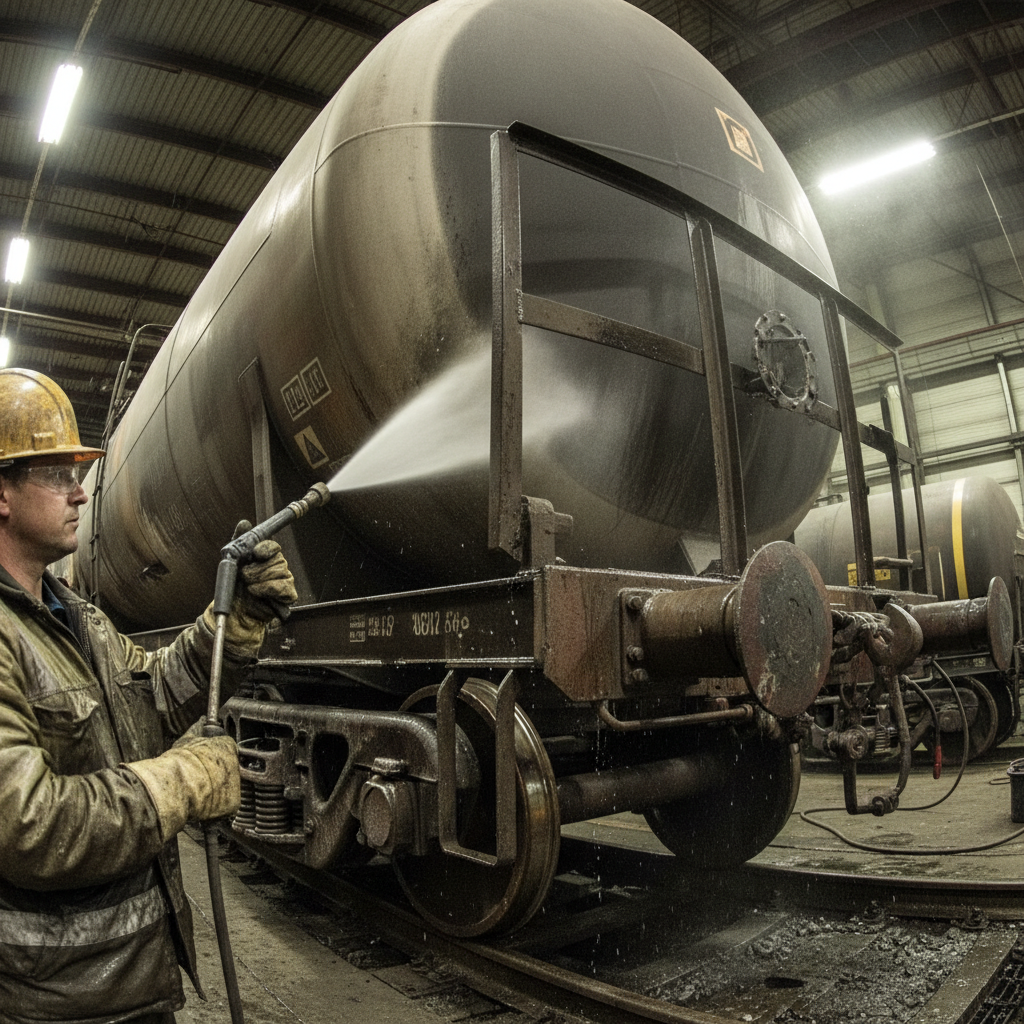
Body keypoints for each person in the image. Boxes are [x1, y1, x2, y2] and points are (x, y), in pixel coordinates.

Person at [0, 368, 298, 1023]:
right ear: (2, 492)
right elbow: (25, 826)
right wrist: (180, 783)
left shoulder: (77, 616)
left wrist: (235, 623)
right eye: (56, 474)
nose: (80, 493)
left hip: (135, 983)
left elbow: (156, 696)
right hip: (55, 1002)